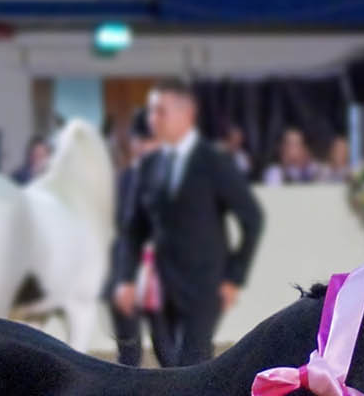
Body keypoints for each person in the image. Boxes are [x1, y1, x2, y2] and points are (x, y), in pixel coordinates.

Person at [112, 80, 264, 367]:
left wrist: (234, 277)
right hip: (161, 279)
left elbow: (251, 218)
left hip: (205, 281)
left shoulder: (214, 162)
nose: (152, 118)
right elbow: (134, 229)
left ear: (186, 114)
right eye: (151, 111)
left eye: (160, 111)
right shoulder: (149, 165)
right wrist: (126, 278)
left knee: (193, 361)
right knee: (167, 360)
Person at [106, 110, 155, 367]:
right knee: (129, 349)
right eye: (142, 141)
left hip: (162, 270)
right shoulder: (123, 180)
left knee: (168, 348)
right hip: (128, 267)